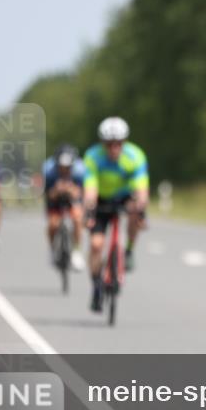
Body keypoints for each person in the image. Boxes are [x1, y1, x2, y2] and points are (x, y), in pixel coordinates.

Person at [82, 117, 149, 313]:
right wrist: (89, 211)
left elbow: (142, 189)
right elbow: (90, 190)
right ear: (102, 143)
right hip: (101, 199)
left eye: (118, 143)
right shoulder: (93, 157)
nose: (114, 148)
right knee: (96, 245)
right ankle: (95, 286)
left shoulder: (135, 156)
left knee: (136, 212)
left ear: (124, 142)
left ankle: (128, 250)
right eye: (109, 144)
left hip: (124, 197)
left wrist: (140, 209)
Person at [43, 144, 86, 271]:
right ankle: (51, 250)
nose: (64, 170)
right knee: (53, 224)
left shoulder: (79, 170)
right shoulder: (49, 170)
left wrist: (70, 189)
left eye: (67, 167)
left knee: (77, 219)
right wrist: (57, 190)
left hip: (72, 200)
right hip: (54, 201)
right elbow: (48, 194)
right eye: (61, 167)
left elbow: (81, 192)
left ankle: (76, 251)